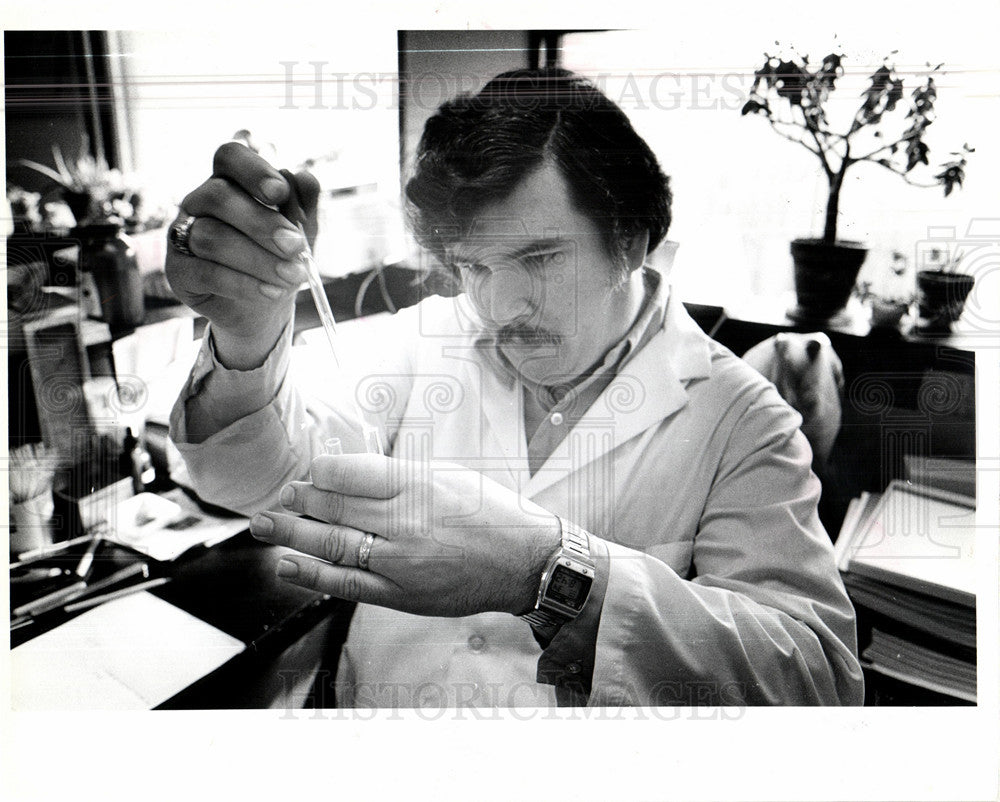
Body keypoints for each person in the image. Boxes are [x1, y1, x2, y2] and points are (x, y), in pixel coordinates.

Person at [166, 68, 865, 708]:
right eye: (473, 266)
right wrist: (251, 325)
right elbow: (256, 477)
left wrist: (547, 573)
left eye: (539, 257)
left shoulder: (741, 418)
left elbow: (815, 682)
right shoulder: (426, 341)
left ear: (631, 239)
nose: (500, 307)